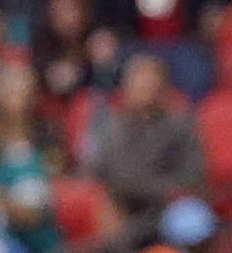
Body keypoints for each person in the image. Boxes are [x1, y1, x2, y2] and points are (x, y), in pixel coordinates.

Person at [81, 52, 207, 235]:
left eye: (150, 83)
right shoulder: (111, 127)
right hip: (122, 204)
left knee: (191, 215)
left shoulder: (181, 126)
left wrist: (144, 188)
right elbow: (94, 171)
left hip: (165, 205)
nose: (144, 89)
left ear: (163, 89)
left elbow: (193, 176)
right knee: (105, 211)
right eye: (138, 83)